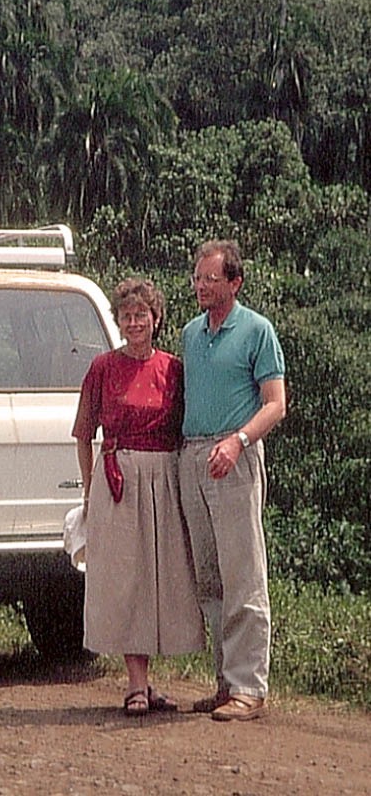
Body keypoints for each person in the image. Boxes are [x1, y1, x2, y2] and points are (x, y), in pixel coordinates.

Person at [73, 278, 205, 715]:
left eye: (141, 316)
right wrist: (90, 494)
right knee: (126, 579)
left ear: (156, 319)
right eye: (126, 316)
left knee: (160, 578)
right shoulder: (102, 368)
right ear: (118, 320)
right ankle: (135, 683)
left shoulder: (173, 369)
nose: (134, 323)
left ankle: (151, 684)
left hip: (164, 475)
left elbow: (189, 427)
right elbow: (82, 434)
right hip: (119, 479)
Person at [180, 240, 286, 722]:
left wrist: (238, 441)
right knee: (209, 576)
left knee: (244, 573)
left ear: (234, 283)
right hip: (193, 456)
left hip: (234, 456)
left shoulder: (258, 330)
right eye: (198, 278)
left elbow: (275, 403)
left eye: (211, 279)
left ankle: (249, 687)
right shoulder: (189, 333)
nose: (201, 286)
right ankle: (225, 682)